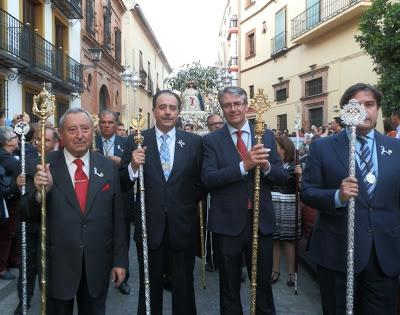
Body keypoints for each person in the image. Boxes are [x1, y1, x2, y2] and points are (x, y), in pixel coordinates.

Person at [301, 83, 400, 314]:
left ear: (378, 109)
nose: (364, 111)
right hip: (338, 251)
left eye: (370, 104)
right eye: (357, 105)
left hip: (383, 254)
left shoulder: (395, 148)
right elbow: (307, 192)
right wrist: (338, 196)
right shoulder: (322, 147)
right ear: (346, 110)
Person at [19, 108, 128, 315]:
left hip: (97, 264)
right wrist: (41, 194)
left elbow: (118, 219)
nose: (80, 135)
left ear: (92, 131)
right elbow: (24, 212)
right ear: (61, 134)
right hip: (57, 266)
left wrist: (120, 261)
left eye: (85, 129)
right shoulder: (44, 165)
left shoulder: (108, 167)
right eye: (72, 129)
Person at [202, 86, 287, 315]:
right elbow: (208, 180)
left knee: (262, 285)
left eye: (237, 103)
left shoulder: (265, 135)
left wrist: (267, 166)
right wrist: (244, 166)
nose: (233, 109)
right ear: (222, 108)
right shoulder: (211, 141)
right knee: (229, 286)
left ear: (246, 105)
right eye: (228, 105)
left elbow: (282, 176)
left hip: (260, 222)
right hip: (227, 223)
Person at [120, 89, 204, 315]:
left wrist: (182, 204)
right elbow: (122, 183)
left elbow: (200, 183)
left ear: (178, 112)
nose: (167, 112)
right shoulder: (137, 140)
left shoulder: (194, 142)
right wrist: (133, 167)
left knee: (184, 287)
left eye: (172, 108)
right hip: (149, 228)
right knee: (149, 288)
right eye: (162, 107)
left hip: (183, 227)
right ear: (154, 110)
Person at [14, 126, 58, 314]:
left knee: (50, 269)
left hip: (54, 225)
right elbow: (21, 195)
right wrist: (17, 184)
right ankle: (24, 299)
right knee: (28, 265)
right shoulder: (27, 162)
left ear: (55, 142)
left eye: (46, 140)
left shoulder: (62, 163)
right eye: (38, 139)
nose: (41, 143)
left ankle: (51, 301)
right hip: (31, 223)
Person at [95, 109, 130, 295]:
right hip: (96, 199)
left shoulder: (126, 143)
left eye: (110, 122)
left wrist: (121, 162)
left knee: (122, 237)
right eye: (103, 122)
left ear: (116, 125)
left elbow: (133, 171)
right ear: (99, 124)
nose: (107, 126)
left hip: (121, 197)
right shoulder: (91, 142)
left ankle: (123, 279)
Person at [270, 136, 302, 287]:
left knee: (289, 241)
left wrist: (299, 176)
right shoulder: (273, 164)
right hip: (274, 201)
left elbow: (302, 188)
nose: (273, 148)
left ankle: (291, 272)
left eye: (276, 145)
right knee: (275, 239)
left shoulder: (295, 164)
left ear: (283, 148)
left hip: (289, 203)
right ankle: (275, 270)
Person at [0, 127, 24, 281]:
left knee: (13, 232)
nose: (18, 138)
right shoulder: (5, 158)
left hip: (12, 200)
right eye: (15, 136)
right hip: (8, 202)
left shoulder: (12, 155)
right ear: (8, 142)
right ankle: (1, 268)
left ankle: (12, 261)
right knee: (7, 234)